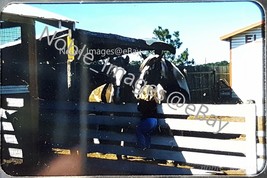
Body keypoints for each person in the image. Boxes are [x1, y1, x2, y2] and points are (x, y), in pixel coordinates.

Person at [136, 85, 158, 150]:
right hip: (154, 120)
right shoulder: (154, 101)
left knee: (139, 130)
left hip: (147, 120)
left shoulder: (143, 101)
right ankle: (147, 146)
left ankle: (142, 145)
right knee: (147, 133)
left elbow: (139, 109)